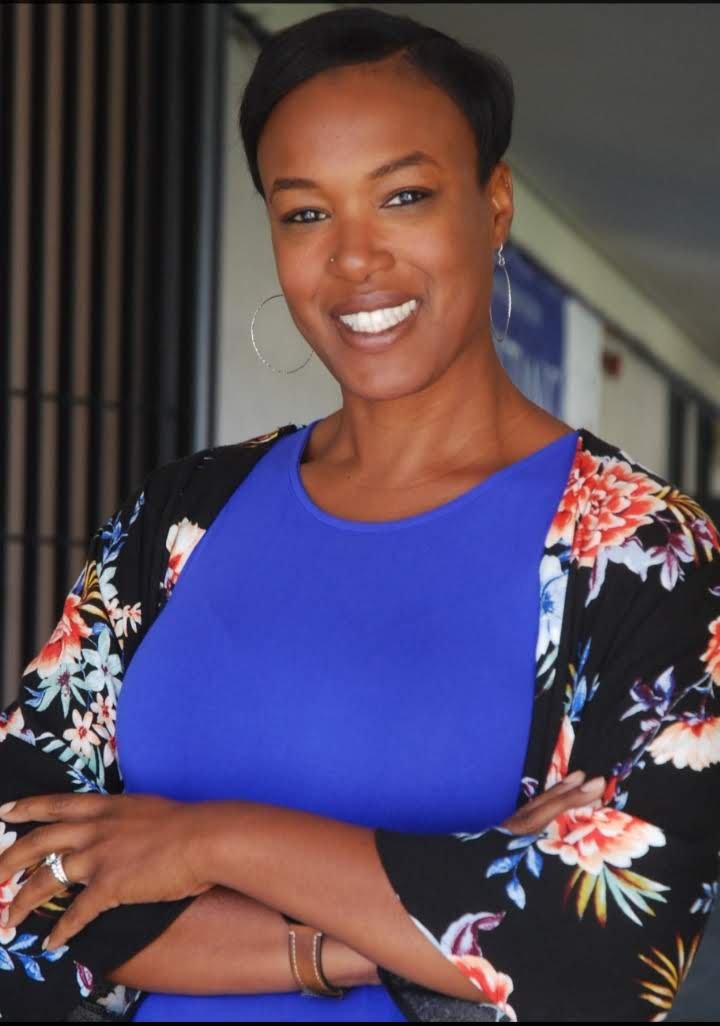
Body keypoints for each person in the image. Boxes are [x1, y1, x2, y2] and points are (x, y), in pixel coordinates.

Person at [0, 5, 719, 1022]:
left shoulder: (641, 550)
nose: (354, 260)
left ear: (495, 203)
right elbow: (18, 874)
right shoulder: (180, 517)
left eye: (406, 197)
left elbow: (603, 952)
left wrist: (207, 841)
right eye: (305, 213)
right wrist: (362, 941)